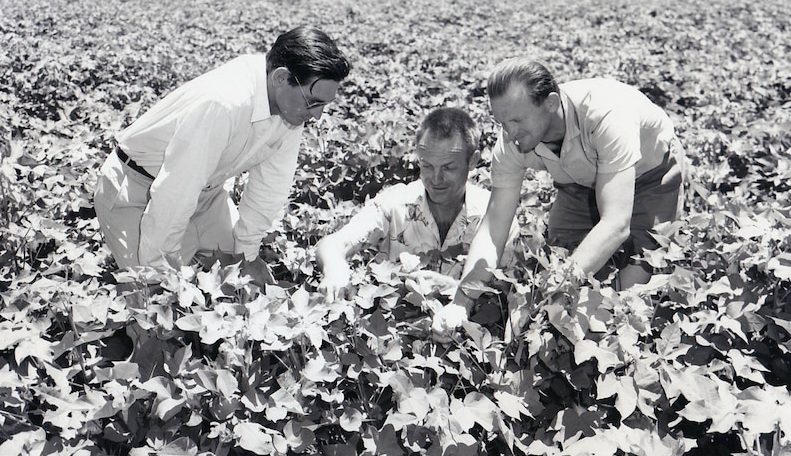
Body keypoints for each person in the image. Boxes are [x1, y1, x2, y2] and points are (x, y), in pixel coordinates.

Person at [94, 26, 351, 284]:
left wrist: (247, 254)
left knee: (250, 284)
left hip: (207, 195)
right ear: (281, 78)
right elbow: (175, 192)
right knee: (154, 306)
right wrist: (163, 273)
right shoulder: (224, 103)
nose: (317, 116)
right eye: (313, 103)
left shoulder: (290, 108)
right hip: (136, 192)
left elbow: (271, 185)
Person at [456, 57, 685, 306]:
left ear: (551, 103)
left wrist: (557, 287)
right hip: (580, 180)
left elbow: (616, 223)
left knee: (631, 294)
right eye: (502, 123)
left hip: (651, 176)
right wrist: (461, 302)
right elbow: (493, 229)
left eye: (517, 121)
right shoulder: (512, 139)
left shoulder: (606, 114)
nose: (510, 134)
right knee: (562, 253)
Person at [315, 107, 517, 300]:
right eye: (427, 166)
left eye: (448, 168)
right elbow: (333, 243)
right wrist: (335, 269)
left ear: (472, 161)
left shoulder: (495, 216)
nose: (436, 179)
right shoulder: (394, 204)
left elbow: (510, 292)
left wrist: (458, 293)